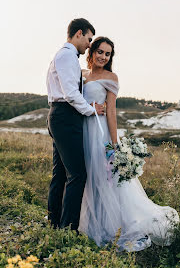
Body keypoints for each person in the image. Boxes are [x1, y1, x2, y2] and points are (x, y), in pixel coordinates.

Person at [79, 36, 180, 251]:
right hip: (82, 132)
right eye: (100, 52)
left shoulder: (111, 77)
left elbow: (112, 112)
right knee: (86, 176)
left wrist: (114, 145)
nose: (103, 57)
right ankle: (88, 220)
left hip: (100, 134)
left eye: (107, 54)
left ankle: (110, 226)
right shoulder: (82, 75)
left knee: (104, 179)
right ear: (92, 51)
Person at [46, 18, 104, 231]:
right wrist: (91, 110)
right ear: (79, 33)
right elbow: (70, 93)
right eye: (89, 39)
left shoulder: (65, 56)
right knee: (77, 174)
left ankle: (54, 224)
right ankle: (68, 229)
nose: (90, 44)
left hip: (61, 115)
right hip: (65, 116)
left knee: (61, 173)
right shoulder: (67, 56)